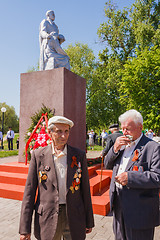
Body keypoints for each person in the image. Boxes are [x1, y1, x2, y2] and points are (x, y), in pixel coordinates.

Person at [19, 116, 94, 240]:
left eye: (66, 131)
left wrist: (89, 220)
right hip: (48, 217)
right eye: (59, 131)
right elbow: (29, 192)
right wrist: (24, 228)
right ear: (50, 132)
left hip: (74, 216)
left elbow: (85, 190)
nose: (63, 136)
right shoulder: (38, 156)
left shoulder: (79, 155)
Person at [104, 109, 160, 240]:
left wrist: (130, 178)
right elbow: (107, 164)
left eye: (128, 129)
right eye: (122, 128)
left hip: (139, 210)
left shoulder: (152, 147)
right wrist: (114, 148)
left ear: (140, 127)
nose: (124, 133)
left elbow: (157, 177)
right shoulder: (121, 144)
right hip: (118, 205)